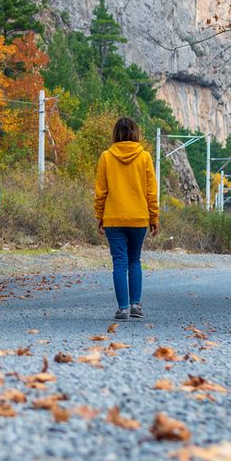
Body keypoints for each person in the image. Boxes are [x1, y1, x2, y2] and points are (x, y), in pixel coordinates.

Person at [93, 116, 159, 320]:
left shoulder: (106, 156)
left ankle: (122, 308)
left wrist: (100, 216)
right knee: (134, 260)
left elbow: (101, 191)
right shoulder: (145, 157)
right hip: (139, 217)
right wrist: (154, 217)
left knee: (119, 263)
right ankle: (136, 306)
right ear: (135, 133)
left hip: (114, 218)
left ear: (116, 134)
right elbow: (151, 191)